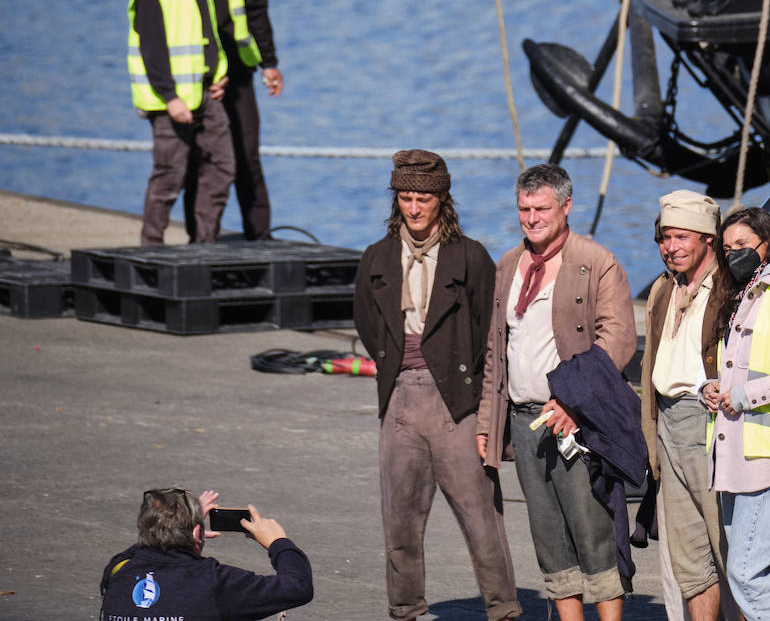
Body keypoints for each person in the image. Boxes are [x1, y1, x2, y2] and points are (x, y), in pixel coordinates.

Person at [353, 150, 520, 621]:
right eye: (405, 197)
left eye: (423, 198)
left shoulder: (470, 257)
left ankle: (504, 609)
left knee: (480, 516)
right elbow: (366, 322)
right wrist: (397, 365)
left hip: (456, 400)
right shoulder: (377, 257)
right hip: (399, 397)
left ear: (442, 199)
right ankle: (405, 609)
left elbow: (492, 333)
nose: (413, 208)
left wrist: (486, 412)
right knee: (400, 518)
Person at [476, 163, 637, 621]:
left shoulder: (596, 260)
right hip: (524, 420)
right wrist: (489, 421)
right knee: (548, 536)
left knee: (594, 533)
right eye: (524, 208)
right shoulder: (507, 265)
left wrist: (574, 400)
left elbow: (618, 339)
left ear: (566, 207)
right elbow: (495, 353)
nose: (531, 218)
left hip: (578, 421)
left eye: (541, 208)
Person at [154, 0, 282, 241]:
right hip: (194, 76)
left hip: (238, 70)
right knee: (201, 161)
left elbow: (257, 7)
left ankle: (260, 237)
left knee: (247, 155)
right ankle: (201, 240)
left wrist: (269, 62)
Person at [700, 207, 770, 621]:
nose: (734, 254)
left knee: (745, 574)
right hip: (730, 449)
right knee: (760, 571)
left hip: (767, 451)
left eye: (743, 245)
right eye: (727, 249)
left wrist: (744, 395)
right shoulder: (742, 291)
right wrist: (712, 387)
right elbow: (734, 366)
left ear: (768, 242)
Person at [641, 190, 728, 621]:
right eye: (664, 238)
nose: (670, 247)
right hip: (668, 422)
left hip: (709, 425)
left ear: (708, 238)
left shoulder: (731, 289)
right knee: (691, 561)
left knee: (731, 554)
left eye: (680, 238)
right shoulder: (663, 289)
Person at [129, 0, 235, 245]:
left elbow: (205, 33)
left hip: (206, 94)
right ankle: (150, 249)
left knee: (222, 168)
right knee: (169, 178)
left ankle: (204, 246)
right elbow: (152, 45)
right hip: (172, 101)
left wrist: (219, 72)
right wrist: (170, 97)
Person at [98, 487, 312, 621]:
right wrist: (278, 543)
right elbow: (298, 586)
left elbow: (139, 551)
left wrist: (172, 523)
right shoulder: (212, 582)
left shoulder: (118, 571)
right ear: (197, 532)